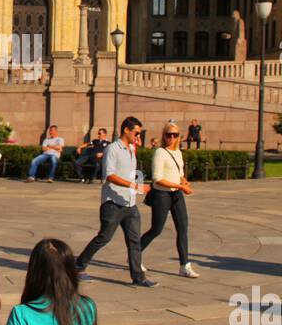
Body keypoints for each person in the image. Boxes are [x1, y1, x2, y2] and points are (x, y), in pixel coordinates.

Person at [76, 116, 156, 287]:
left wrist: (137, 186)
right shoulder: (112, 149)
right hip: (113, 203)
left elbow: (130, 174)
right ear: (126, 130)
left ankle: (138, 277)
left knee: (134, 241)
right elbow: (110, 176)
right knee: (104, 237)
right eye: (136, 132)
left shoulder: (131, 150)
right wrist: (134, 185)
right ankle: (78, 266)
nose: (138, 136)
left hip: (129, 203)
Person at [140, 122, 198, 278]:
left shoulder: (178, 152)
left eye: (175, 135)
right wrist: (181, 187)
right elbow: (157, 179)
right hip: (162, 195)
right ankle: (135, 254)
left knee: (183, 228)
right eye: (168, 134)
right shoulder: (160, 152)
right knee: (156, 229)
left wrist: (183, 181)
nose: (171, 138)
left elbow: (178, 173)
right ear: (163, 135)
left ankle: (184, 265)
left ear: (179, 136)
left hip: (176, 195)